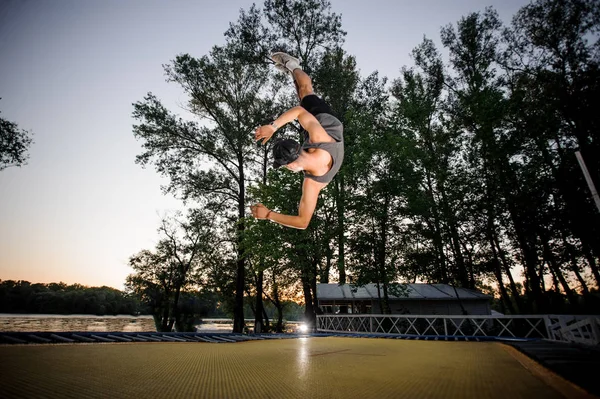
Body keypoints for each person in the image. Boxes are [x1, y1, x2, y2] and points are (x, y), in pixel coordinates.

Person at [250, 52, 344, 229]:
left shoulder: (312, 183)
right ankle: (294, 65)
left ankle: (293, 71)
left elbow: (303, 222)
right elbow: (299, 112)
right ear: (292, 164)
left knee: (302, 99)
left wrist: (270, 214)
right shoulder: (320, 141)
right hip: (326, 121)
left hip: (312, 127)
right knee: (305, 91)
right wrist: (272, 127)